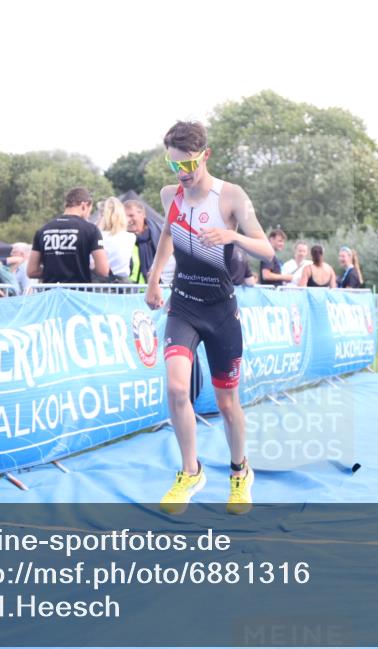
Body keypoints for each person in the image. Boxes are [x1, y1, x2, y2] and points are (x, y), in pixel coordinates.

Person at [144, 120, 275, 515]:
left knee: (227, 402)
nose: (181, 175)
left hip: (220, 311)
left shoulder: (231, 196)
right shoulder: (171, 194)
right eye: (173, 166)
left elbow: (267, 250)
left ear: (206, 156)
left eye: (187, 166)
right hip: (183, 305)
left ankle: (239, 473)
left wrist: (232, 236)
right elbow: (167, 235)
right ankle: (191, 471)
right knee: (177, 390)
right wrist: (153, 280)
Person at [27, 187, 110, 284]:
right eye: (90, 211)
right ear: (84, 205)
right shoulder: (91, 230)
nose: (89, 215)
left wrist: (53, 273)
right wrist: (83, 271)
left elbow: (31, 271)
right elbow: (103, 270)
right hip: (78, 294)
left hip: (51, 294)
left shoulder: (43, 230)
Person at [98, 196, 137, 281]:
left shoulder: (98, 236)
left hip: (100, 283)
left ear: (103, 216)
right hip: (123, 284)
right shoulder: (130, 237)